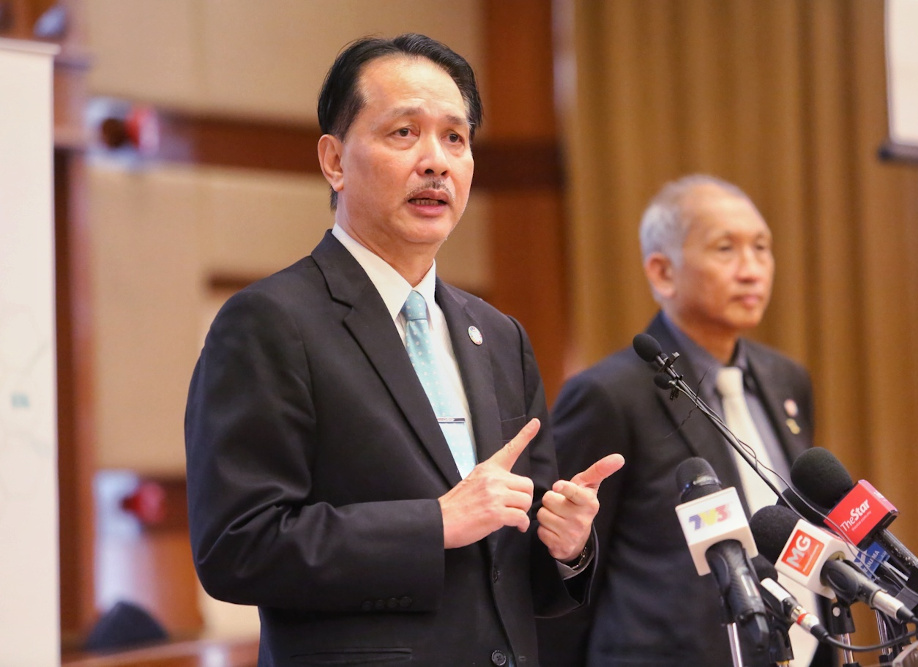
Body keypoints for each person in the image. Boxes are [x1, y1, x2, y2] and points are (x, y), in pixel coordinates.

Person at [185, 34, 623, 667]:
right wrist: (434, 523)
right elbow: (237, 547)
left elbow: (514, 573)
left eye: (456, 138)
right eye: (403, 133)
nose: (436, 161)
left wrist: (566, 545)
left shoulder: (500, 336)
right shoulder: (269, 323)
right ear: (334, 160)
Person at [536, 175, 834, 666]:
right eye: (725, 249)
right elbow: (567, 578)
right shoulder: (609, 395)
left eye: (762, 248)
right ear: (663, 272)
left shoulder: (786, 379)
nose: (752, 269)